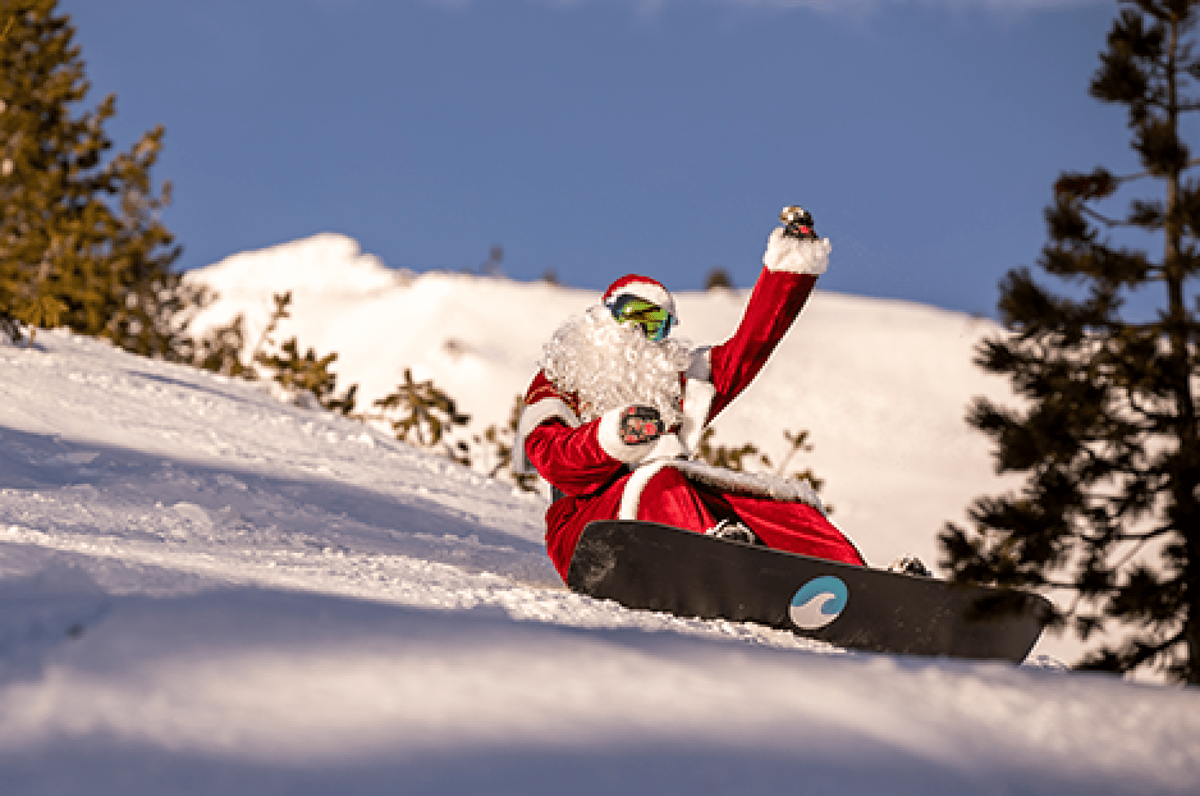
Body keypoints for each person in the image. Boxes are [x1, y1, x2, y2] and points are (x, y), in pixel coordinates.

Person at [514, 213, 866, 583]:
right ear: (604, 316)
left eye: (655, 324)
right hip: (587, 536)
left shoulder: (673, 385)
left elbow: (749, 348)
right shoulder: (565, 377)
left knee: (785, 507)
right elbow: (553, 460)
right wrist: (616, 435)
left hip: (668, 512)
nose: (638, 331)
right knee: (659, 479)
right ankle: (720, 560)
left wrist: (791, 268)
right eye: (632, 314)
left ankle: (856, 580)